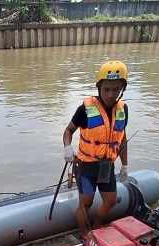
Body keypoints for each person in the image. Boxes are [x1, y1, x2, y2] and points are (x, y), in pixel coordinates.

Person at [62, 60, 130, 236]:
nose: (111, 94)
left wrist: (125, 165)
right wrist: (67, 147)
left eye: (116, 89)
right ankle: (85, 233)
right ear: (99, 87)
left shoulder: (123, 109)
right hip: (86, 165)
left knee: (111, 200)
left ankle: (98, 224)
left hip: (107, 165)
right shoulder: (85, 109)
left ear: (122, 89)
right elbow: (69, 130)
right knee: (86, 202)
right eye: (107, 89)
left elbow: (122, 139)